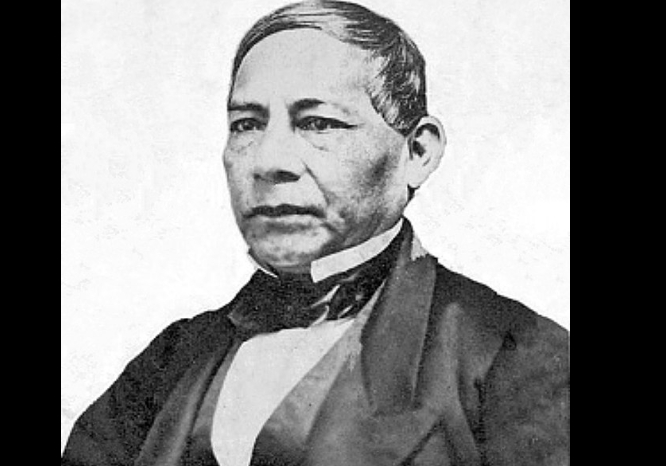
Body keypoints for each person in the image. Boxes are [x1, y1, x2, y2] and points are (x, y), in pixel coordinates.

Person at [62, 1, 569, 465]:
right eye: (246, 124)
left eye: (318, 123)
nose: (269, 161)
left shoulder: (514, 358)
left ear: (417, 152)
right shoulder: (171, 360)